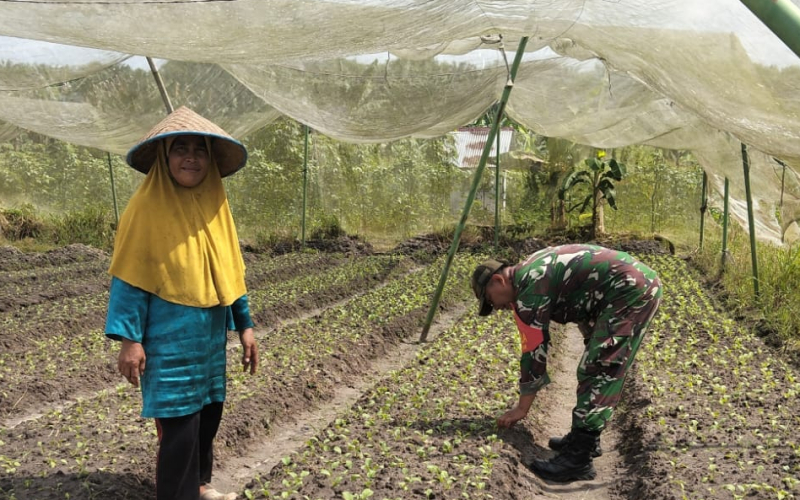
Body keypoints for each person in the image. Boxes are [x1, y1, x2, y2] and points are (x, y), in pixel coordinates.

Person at [105, 106, 259, 500]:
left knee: (209, 415)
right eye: (180, 148)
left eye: (199, 149)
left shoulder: (216, 209)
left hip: (208, 339)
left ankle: (200, 485)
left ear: (210, 159)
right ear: (163, 157)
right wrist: (130, 340)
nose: (191, 157)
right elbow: (130, 278)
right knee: (178, 425)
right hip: (167, 340)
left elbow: (230, 273)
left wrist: (245, 326)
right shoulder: (144, 209)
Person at [471, 244, 662, 483]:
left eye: (490, 300)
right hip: (617, 291)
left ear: (499, 280)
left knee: (599, 368)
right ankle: (585, 439)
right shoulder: (529, 272)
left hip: (628, 291)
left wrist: (522, 409)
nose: (496, 308)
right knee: (596, 363)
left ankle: (578, 460)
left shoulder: (530, 286)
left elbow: (534, 351)